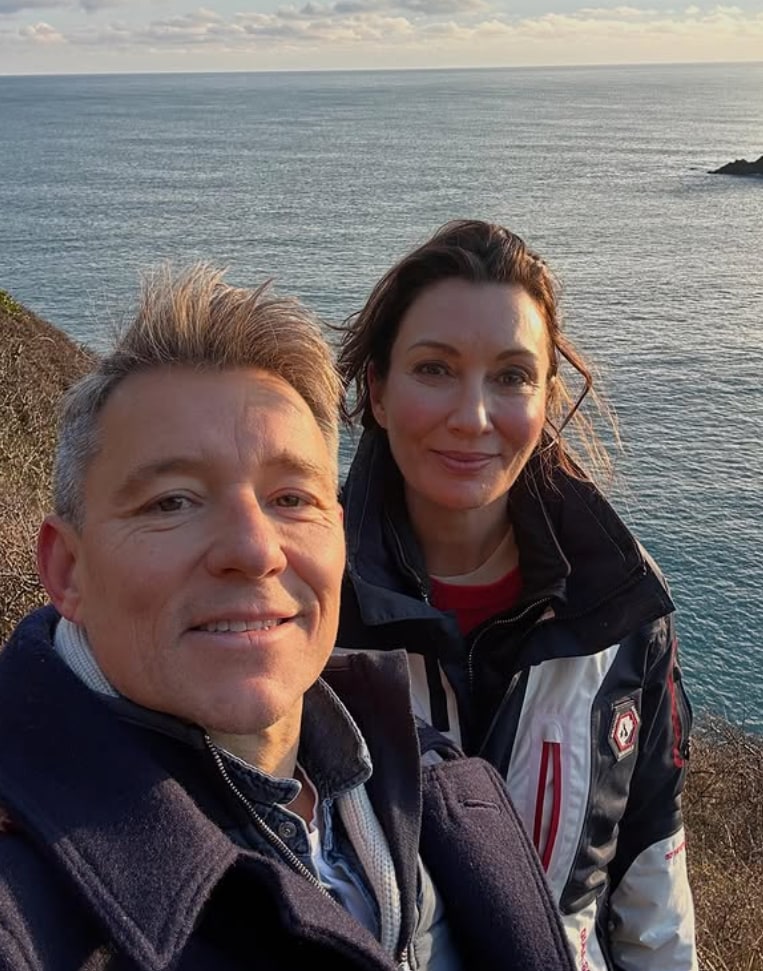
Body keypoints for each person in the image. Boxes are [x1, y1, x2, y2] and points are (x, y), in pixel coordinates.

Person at [0, 263, 576, 971]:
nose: (253, 549)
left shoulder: (426, 771)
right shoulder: (25, 899)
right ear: (67, 569)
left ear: (339, 535)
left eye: (291, 499)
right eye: (172, 501)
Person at [336, 219, 698, 971]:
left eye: (510, 375)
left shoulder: (621, 607)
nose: (472, 417)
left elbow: (648, 881)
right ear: (375, 388)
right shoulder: (305, 601)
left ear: (545, 396)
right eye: (433, 368)